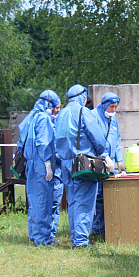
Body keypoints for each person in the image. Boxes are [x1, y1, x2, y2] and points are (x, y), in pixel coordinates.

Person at [55, 84, 113, 248]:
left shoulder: (62, 113)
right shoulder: (84, 112)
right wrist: (105, 153)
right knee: (85, 202)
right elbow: (96, 135)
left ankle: (76, 237)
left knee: (73, 201)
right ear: (83, 97)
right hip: (83, 163)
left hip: (66, 163)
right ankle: (80, 241)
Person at [17, 90, 59, 246]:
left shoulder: (32, 116)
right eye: (55, 106)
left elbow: (21, 143)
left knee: (34, 201)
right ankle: (43, 239)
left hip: (31, 164)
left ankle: (35, 235)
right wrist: (48, 164)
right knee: (43, 201)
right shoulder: (42, 118)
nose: (55, 110)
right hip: (41, 164)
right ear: (49, 104)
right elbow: (43, 142)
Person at [91, 92, 125, 238]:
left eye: (116, 107)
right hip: (97, 160)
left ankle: (108, 228)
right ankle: (98, 230)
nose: (113, 110)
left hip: (110, 163)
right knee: (98, 197)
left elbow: (116, 139)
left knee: (107, 195)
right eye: (111, 107)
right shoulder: (93, 116)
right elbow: (94, 139)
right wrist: (104, 156)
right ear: (104, 104)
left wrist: (119, 161)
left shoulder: (113, 118)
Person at [46, 96, 63, 238]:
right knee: (50, 202)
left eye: (59, 108)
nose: (57, 111)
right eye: (55, 107)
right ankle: (48, 234)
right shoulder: (45, 123)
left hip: (56, 169)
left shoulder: (56, 122)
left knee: (55, 203)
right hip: (51, 168)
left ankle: (51, 232)